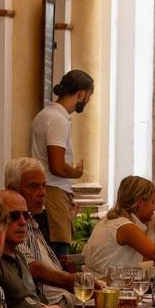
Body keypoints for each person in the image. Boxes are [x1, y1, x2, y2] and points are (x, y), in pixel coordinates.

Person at [31, 69, 94, 259]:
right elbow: (57, 166)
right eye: (89, 96)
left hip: (52, 190)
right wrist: (76, 173)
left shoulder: (47, 114)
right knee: (57, 253)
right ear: (81, 94)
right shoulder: (57, 119)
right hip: (53, 191)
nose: (89, 101)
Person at [4, 157, 77, 307]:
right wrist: (75, 281)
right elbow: (32, 268)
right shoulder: (10, 224)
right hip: (50, 306)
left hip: (66, 301)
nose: (42, 193)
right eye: (33, 187)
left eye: (44, 186)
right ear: (13, 190)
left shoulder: (32, 221)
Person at [0, 190, 49, 308]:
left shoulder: (20, 253)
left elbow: (33, 299)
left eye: (26, 216)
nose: (22, 222)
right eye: (14, 216)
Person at [83, 176, 155, 277]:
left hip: (98, 284)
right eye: (153, 202)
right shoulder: (126, 227)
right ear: (140, 203)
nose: (154, 208)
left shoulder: (108, 221)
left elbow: (143, 258)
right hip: (107, 288)